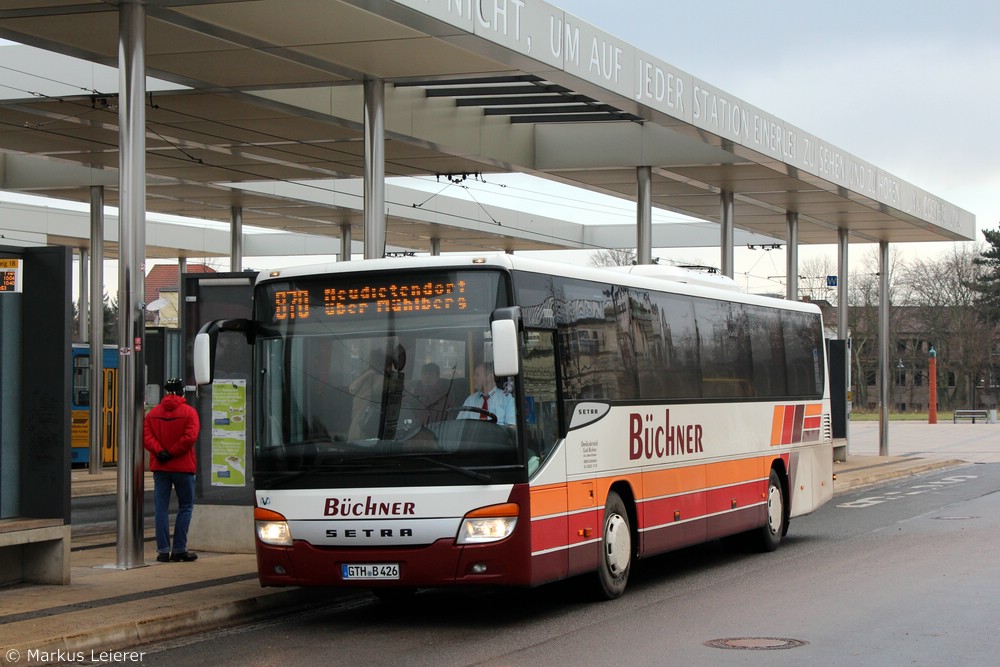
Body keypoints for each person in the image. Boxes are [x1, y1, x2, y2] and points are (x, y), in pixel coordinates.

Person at [143, 378, 201, 563]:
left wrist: (160, 452)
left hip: (161, 467)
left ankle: (162, 551)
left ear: (166, 392)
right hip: (183, 467)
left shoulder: (152, 414)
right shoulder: (190, 412)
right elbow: (190, 437)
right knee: (185, 507)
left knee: (161, 509)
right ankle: (179, 549)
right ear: (182, 392)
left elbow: (146, 437)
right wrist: (172, 452)